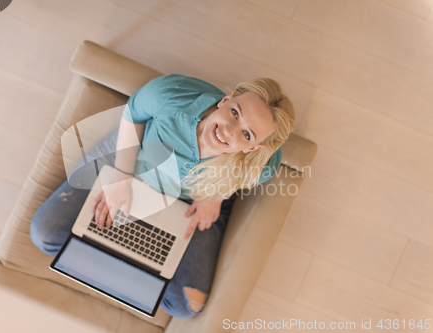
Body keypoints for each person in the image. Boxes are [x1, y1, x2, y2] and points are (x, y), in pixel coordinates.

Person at [30, 74, 295, 319]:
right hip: (129, 162)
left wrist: (215, 197)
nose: (229, 131)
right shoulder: (171, 95)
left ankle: (111, 262)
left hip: (192, 199)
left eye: (246, 134)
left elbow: (247, 174)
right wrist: (121, 177)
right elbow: (133, 113)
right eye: (235, 113)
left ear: (255, 148)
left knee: (185, 307)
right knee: (45, 233)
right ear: (227, 99)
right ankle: (132, 272)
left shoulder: (264, 162)